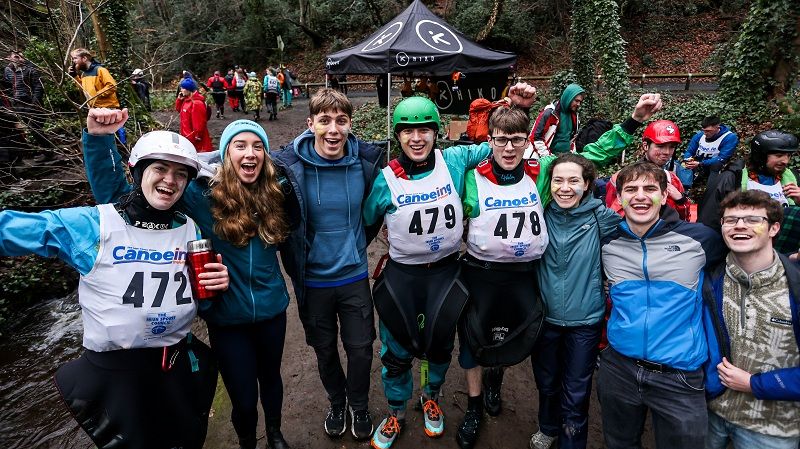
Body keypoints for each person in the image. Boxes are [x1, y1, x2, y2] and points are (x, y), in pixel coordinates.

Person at [0, 109, 231, 448]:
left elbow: (200, 297)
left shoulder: (188, 227)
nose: (170, 180)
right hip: (117, 376)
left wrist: (215, 286)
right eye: (160, 169)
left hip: (178, 367)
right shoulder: (94, 224)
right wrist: (97, 138)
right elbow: (19, 229)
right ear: (137, 172)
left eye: (181, 174)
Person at [83, 109, 294, 449]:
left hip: (273, 312)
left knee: (271, 379)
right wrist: (98, 140)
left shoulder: (277, 194)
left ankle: (275, 434)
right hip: (228, 319)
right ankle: (247, 443)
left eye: (258, 146)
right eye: (239, 145)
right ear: (226, 154)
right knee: (242, 396)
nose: (250, 153)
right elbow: (121, 198)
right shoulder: (200, 197)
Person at [362, 86, 537, 449]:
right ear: (397, 135)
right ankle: (395, 411)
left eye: (424, 129)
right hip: (403, 278)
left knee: (439, 346)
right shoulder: (387, 178)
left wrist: (515, 106)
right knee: (395, 352)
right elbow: (363, 225)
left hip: (445, 274)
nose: (416, 137)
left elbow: (500, 143)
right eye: (408, 131)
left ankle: (432, 397)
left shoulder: (454, 160)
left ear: (436, 133)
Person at [271, 88, 386, 442]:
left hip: (353, 276)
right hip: (313, 280)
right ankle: (337, 403)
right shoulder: (289, 168)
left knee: (361, 349)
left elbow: (373, 214)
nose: (333, 129)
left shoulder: (365, 162)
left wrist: (355, 247)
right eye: (324, 121)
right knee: (324, 350)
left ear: (350, 124)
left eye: (341, 121)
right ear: (311, 124)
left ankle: (360, 405)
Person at [598, 161, 725, 449]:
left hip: (679, 375)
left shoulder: (701, 240)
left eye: (650, 188)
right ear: (618, 198)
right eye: (631, 189)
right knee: (619, 443)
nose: (640, 196)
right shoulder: (608, 242)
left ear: (665, 194)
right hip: (619, 368)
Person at [455, 106, 548, 449]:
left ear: (528, 142)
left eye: (517, 140)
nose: (509, 148)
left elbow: (589, 158)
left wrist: (632, 122)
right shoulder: (471, 177)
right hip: (482, 274)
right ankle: (474, 405)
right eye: (501, 140)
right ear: (489, 140)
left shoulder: (542, 171)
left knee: (508, 335)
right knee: (471, 340)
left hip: (524, 275)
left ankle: (496, 378)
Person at [703, 189, 800, 449]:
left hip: (772, 426)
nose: (740, 226)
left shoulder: (795, 286)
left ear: (774, 228)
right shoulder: (711, 280)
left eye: (753, 220)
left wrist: (755, 384)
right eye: (731, 220)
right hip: (711, 412)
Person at [700, 130, 799, 232]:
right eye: (778, 156)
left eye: (789, 156)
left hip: (782, 242)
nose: (785, 161)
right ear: (761, 156)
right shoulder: (731, 179)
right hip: (741, 240)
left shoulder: (791, 178)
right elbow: (709, 221)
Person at [604, 120, 691, 220]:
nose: (667, 152)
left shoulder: (673, 179)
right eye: (660, 146)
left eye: (672, 147)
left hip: (669, 234)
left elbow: (684, 220)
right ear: (645, 146)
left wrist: (680, 200)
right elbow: (612, 219)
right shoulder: (621, 178)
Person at [3, 49, 47, 157]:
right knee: (32, 129)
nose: (21, 59)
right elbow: (8, 86)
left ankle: (49, 152)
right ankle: (45, 151)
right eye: (17, 57)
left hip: (32, 103)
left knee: (35, 127)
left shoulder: (31, 69)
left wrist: (35, 103)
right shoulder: (8, 70)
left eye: (22, 56)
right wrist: (13, 100)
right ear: (9, 58)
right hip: (18, 104)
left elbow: (38, 87)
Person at [528, 83, 585, 155]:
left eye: (580, 102)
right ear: (568, 98)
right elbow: (535, 137)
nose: (578, 104)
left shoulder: (574, 117)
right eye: (576, 101)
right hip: (547, 158)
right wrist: (547, 156)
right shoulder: (550, 113)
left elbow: (572, 139)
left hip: (565, 158)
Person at [682, 115, 739, 186]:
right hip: (697, 163)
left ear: (717, 127)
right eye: (704, 130)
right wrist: (688, 159)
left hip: (713, 165)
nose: (705, 133)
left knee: (716, 165)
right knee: (682, 165)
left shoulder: (729, 138)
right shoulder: (700, 135)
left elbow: (722, 158)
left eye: (708, 131)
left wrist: (700, 164)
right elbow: (690, 151)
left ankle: (710, 191)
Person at [175, 77, 212, 152]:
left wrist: (195, 138)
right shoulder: (186, 100)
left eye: (182, 88)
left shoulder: (197, 103)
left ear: (188, 89)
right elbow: (180, 111)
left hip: (195, 141)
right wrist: (179, 100)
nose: (181, 90)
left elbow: (199, 124)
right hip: (187, 137)